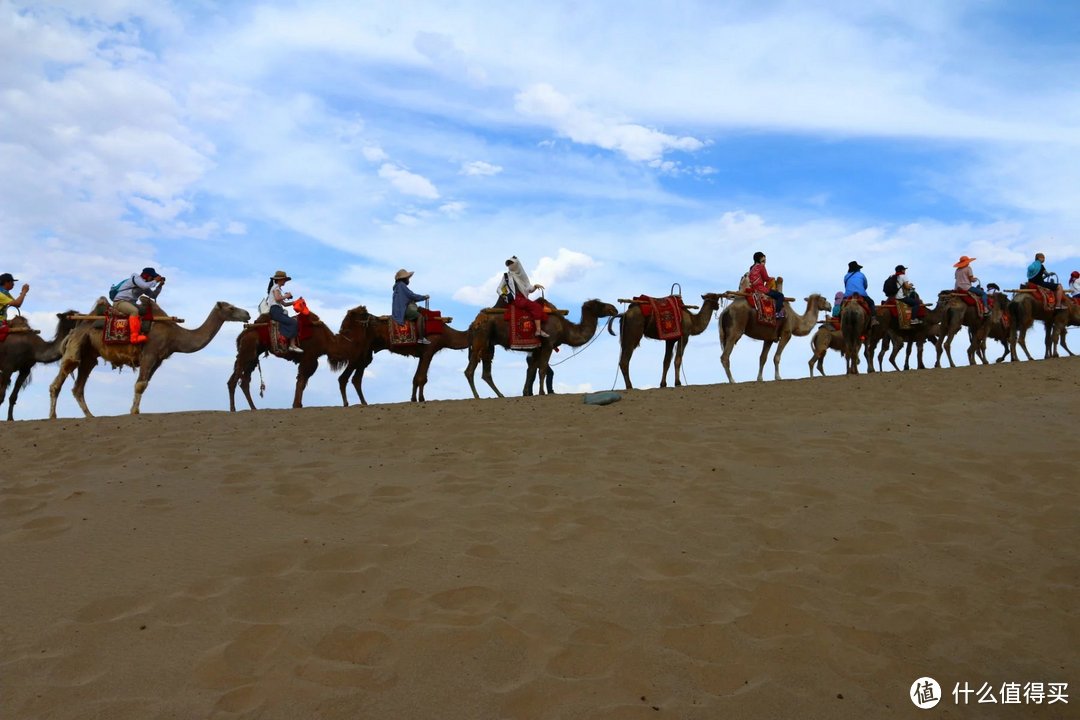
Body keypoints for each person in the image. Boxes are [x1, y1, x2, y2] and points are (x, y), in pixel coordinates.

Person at [112, 267, 166, 344]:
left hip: (131, 303)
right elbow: (144, 285)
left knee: (145, 311)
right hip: (120, 302)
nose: (152, 279)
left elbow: (153, 295)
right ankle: (134, 337)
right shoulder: (136, 278)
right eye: (152, 277)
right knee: (134, 311)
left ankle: (143, 332)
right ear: (147, 276)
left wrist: (160, 286)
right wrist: (155, 280)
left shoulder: (144, 285)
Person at [499, 256, 549, 337]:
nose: (510, 265)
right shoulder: (507, 276)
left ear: (517, 264)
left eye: (511, 263)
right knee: (536, 307)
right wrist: (506, 297)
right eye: (508, 264)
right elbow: (499, 289)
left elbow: (529, 289)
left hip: (523, 298)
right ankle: (538, 330)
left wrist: (535, 286)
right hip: (516, 299)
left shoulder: (523, 276)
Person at [264, 270, 303, 353]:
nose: (285, 281)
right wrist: (286, 295)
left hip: (277, 310)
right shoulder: (276, 288)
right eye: (284, 279)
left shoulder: (277, 289)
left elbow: (284, 304)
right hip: (276, 310)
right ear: (279, 279)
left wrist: (295, 302)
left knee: (292, 321)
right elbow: (278, 299)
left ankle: (289, 343)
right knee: (293, 323)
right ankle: (292, 345)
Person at [392, 269, 430, 344]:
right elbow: (411, 295)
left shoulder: (398, 287)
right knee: (420, 316)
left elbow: (408, 297)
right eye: (407, 278)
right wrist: (424, 297)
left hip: (397, 310)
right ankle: (421, 338)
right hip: (402, 310)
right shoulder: (402, 286)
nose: (408, 280)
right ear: (404, 278)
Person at [747, 251, 785, 318]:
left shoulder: (751, 268)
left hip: (753, 289)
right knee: (780, 295)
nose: (765, 262)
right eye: (763, 260)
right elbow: (766, 278)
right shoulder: (761, 267)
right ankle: (777, 312)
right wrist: (772, 279)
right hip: (760, 289)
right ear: (760, 259)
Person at [843, 261, 877, 325]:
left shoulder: (846, 276)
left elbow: (846, 286)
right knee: (871, 303)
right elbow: (865, 285)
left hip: (848, 295)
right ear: (857, 269)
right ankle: (873, 319)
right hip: (861, 294)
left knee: (841, 306)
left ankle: (840, 320)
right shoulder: (861, 275)